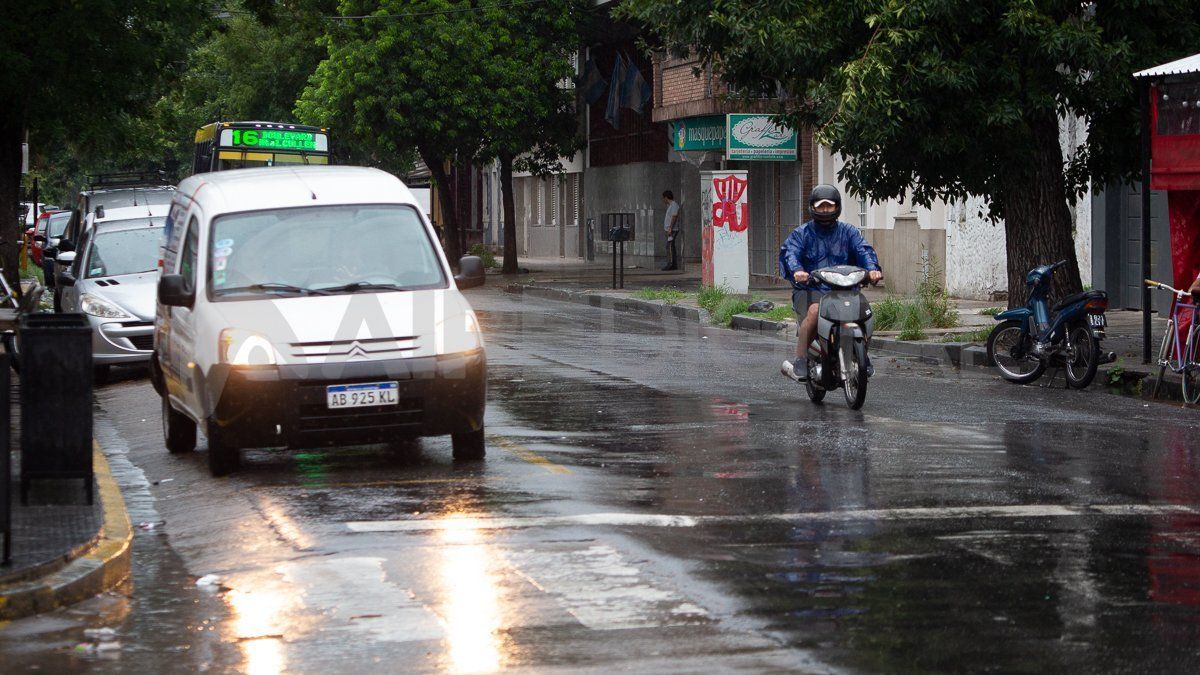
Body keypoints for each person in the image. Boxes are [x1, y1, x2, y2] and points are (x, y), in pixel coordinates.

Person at [779, 184, 883, 381]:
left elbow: (863, 250)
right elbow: (791, 253)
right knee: (814, 311)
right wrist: (798, 271)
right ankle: (800, 359)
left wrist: (872, 270)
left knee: (864, 310)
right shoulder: (802, 234)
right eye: (821, 206)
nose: (825, 210)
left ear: (837, 207)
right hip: (812, 289)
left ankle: (863, 356)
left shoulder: (849, 232)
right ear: (813, 207)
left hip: (844, 288)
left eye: (829, 206)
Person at [661, 190, 681, 271]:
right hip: (670, 229)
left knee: (669, 247)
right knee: (670, 246)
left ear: (666, 197)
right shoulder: (670, 205)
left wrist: (670, 228)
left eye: (663, 198)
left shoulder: (674, 205)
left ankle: (671, 264)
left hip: (672, 230)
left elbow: (674, 217)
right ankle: (672, 264)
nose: (663, 200)